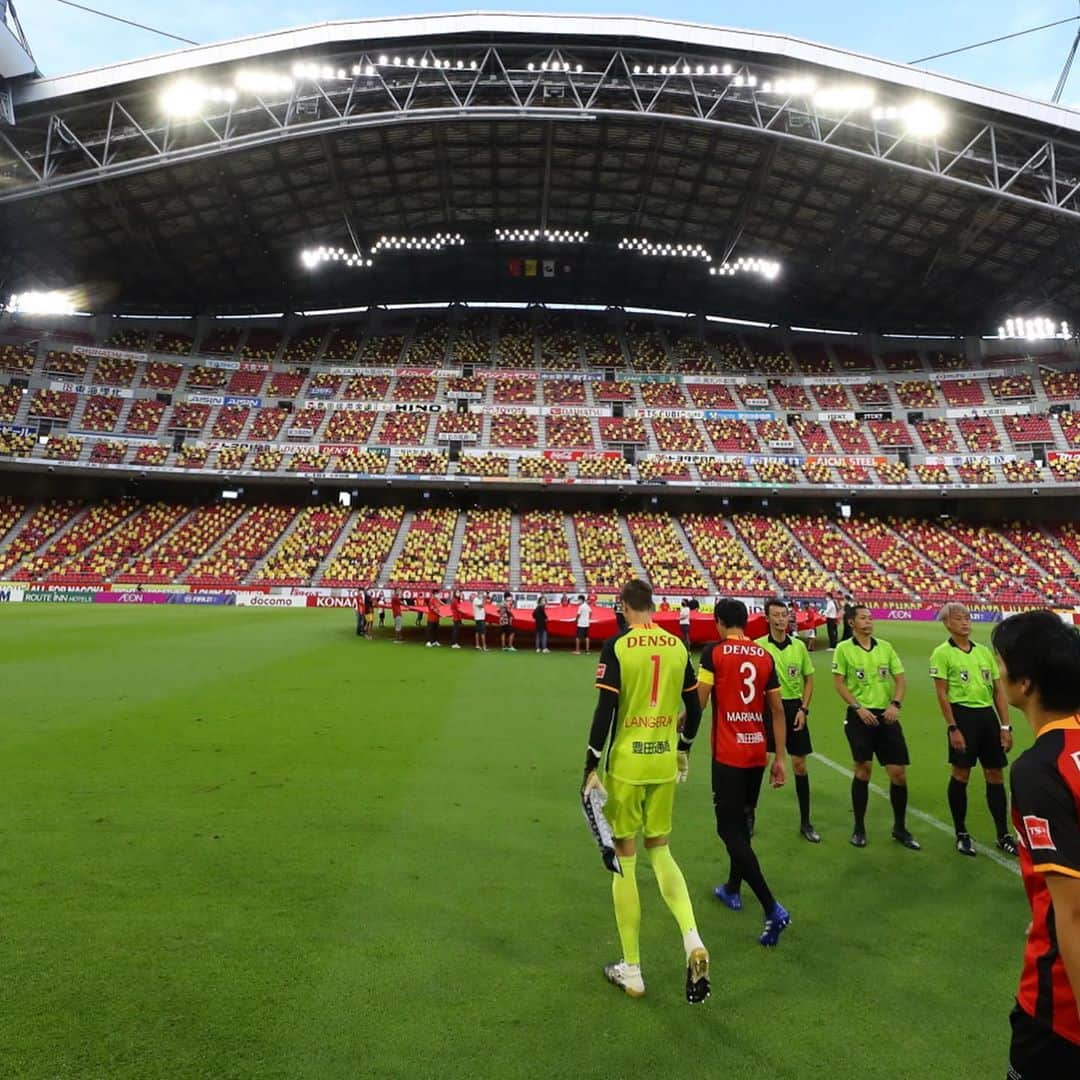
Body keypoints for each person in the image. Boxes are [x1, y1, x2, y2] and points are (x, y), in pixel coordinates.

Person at [582, 578, 710, 1003]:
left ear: (622, 606)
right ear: (653, 606)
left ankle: (632, 968)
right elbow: (692, 708)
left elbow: (606, 709)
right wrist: (684, 749)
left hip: (627, 765)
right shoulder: (677, 646)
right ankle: (692, 937)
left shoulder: (617, 646)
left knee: (625, 861)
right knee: (661, 850)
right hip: (662, 760)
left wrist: (590, 764)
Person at [992, 611, 1080, 1078]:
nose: (998, 673)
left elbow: (1074, 913)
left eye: (1002, 664)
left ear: (1024, 682)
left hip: (1059, 1011)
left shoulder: (1040, 769)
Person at [699, 598, 791, 946]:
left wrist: (678, 723)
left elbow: (701, 701)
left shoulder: (714, 652)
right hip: (757, 752)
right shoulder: (764, 656)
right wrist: (779, 758)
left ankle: (772, 908)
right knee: (745, 823)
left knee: (729, 830)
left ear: (720, 622)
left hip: (728, 754)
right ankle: (733, 889)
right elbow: (778, 710)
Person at [930, 602, 1016, 857]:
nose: (965, 622)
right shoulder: (942, 653)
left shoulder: (983, 652)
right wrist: (952, 728)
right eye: (958, 619)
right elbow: (942, 695)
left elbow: (999, 691)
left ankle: (1003, 834)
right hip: (962, 717)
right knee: (961, 774)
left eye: (967, 617)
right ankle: (961, 833)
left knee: (995, 774)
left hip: (987, 717)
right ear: (947, 623)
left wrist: (1004, 725)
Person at [832, 605, 919, 850]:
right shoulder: (844, 649)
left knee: (898, 774)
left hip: (886, 716)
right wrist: (858, 707)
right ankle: (859, 827)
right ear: (851, 623)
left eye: (870, 618)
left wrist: (895, 704)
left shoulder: (886, 647)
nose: (869, 621)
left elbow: (900, 679)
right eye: (863, 618)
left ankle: (900, 828)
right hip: (859, 715)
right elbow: (839, 683)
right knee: (863, 771)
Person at [756, 598, 819, 843]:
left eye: (785, 614)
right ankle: (749, 816)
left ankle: (806, 822)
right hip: (767, 708)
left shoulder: (799, 647)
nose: (782, 619)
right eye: (777, 615)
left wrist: (804, 709)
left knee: (800, 765)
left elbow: (809, 679)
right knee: (760, 762)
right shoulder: (759, 646)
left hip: (794, 708)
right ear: (768, 619)